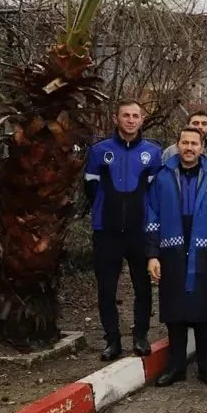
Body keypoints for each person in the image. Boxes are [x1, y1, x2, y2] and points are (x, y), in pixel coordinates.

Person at [145, 127, 207, 388]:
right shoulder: (162, 177)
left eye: (194, 143)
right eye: (185, 142)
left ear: (202, 147)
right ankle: (176, 367)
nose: (189, 147)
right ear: (178, 145)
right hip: (171, 252)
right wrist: (153, 255)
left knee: (205, 311)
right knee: (175, 312)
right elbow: (152, 217)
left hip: (205, 253)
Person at [84, 99, 160, 361]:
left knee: (142, 287)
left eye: (135, 116)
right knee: (107, 288)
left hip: (140, 231)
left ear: (142, 120)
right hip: (108, 231)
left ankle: (140, 336)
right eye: (125, 115)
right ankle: (112, 340)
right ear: (116, 119)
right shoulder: (98, 151)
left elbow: (155, 194)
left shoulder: (153, 152)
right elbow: (90, 189)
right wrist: (107, 212)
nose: (130, 120)